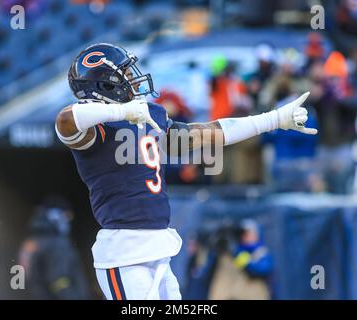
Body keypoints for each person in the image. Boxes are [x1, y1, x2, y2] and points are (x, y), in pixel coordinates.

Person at [55, 43, 316, 300]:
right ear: (104, 84)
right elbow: (66, 120)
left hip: (158, 246)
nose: (134, 81)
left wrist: (272, 120)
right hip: (125, 251)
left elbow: (212, 133)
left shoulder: (149, 115)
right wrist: (122, 110)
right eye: (125, 75)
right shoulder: (94, 128)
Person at [18, 198, 90, 299]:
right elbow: (59, 281)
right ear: (55, 215)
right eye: (66, 217)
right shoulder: (56, 243)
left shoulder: (31, 243)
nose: (67, 222)